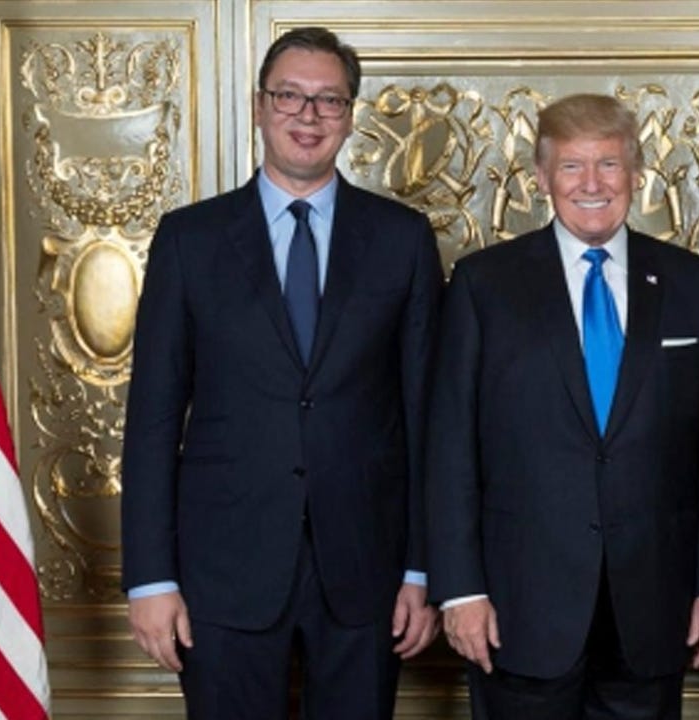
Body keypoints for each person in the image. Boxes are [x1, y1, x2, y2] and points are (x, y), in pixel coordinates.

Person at [120, 26, 442, 719]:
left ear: (350, 116)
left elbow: (426, 417)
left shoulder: (402, 238)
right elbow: (151, 418)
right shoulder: (189, 239)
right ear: (260, 106)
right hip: (221, 571)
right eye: (290, 96)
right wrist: (150, 578)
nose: (308, 115)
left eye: (329, 100)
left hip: (368, 571)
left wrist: (422, 569)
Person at [425, 93, 699, 720]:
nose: (592, 184)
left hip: (655, 605)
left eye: (609, 164)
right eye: (572, 166)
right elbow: (451, 447)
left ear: (637, 173)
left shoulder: (694, 283)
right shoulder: (483, 284)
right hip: (518, 607)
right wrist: (460, 589)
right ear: (541, 177)